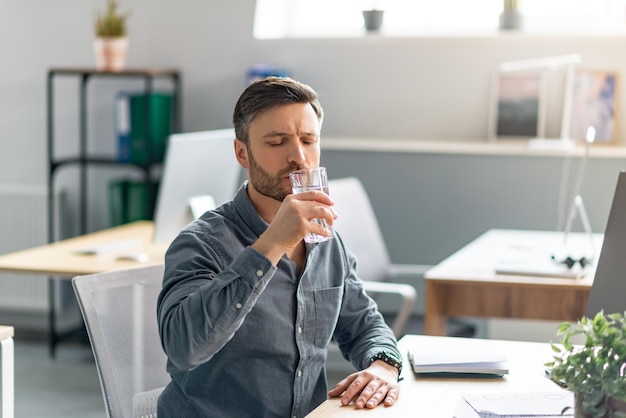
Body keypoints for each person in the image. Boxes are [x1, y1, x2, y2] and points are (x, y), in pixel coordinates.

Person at [157, 76, 403, 417]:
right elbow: (184, 347)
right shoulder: (201, 243)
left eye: (308, 140)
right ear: (242, 153)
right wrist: (272, 243)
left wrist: (383, 366)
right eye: (277, 142)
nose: (298, 157)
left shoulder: (325, 240)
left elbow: (364, 324)